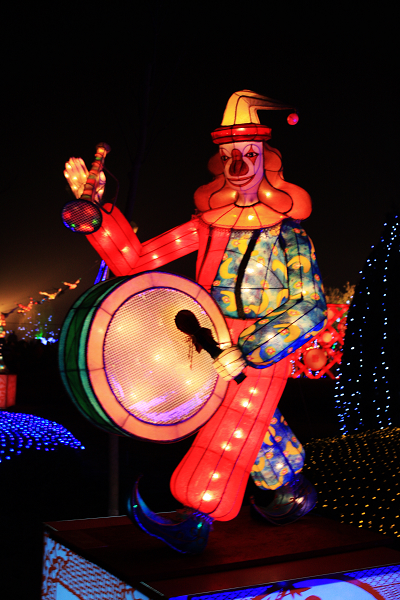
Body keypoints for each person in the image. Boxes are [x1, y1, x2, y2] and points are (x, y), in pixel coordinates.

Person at [64, 91, 327, 553]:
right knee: (252, 423)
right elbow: (134, 260)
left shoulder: (289, 234)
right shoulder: (208, 224)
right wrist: (96, 215)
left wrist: (250, 349)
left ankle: (198, 517)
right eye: (229, 156)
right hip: (204, 336)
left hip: (262, 347)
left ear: (267, 161)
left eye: (248, 154)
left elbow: (311, 306)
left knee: (229, 428)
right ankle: (288, 486)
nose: (238, 165)